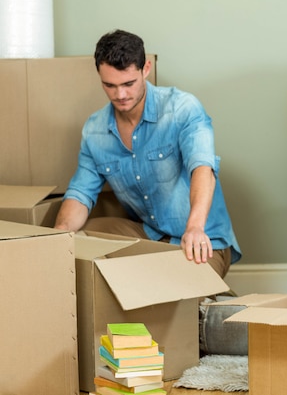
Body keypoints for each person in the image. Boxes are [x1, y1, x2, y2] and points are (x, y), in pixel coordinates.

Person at [54, 29, 241, 278]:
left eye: (128, 84)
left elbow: (202, 168)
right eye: (109, 85)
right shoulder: (95, 130)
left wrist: (195, 228)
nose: (120, 95)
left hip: (202, 239)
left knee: (179, 303)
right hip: (148, 234)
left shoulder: (182, 109)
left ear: (146, 69)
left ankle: (208, 299)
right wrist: (58, 236)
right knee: (78, 239)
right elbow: (80, 194)